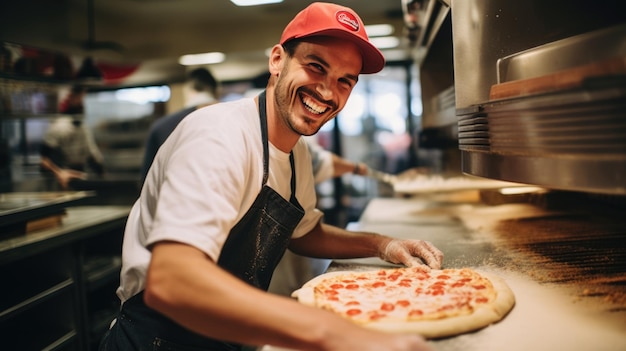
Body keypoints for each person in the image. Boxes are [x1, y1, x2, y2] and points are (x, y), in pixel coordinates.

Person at [100, 3, 443, 351]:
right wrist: (332, 331)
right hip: (157, 338)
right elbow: (172, 281)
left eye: (344, 81)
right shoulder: (220, 136)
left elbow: (304, 232)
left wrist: (382, 244)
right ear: (278, 60)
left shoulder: (296, 152)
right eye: (315, 66)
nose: (327, 92)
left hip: (228, 335)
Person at [140, 67, 219, 182]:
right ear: (217, 91)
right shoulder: (236, 120)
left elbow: (148, 182)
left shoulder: (162, 127)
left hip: (177, 196)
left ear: (188, 89)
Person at [40, 85, 104, 189]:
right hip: (60, 180)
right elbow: (44, 160)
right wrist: (59, 172)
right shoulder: (58, 127)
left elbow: (93, 154)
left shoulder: (83, 127)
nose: (82, 104)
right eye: (79, 99)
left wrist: (101, 175)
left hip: (80, 176)